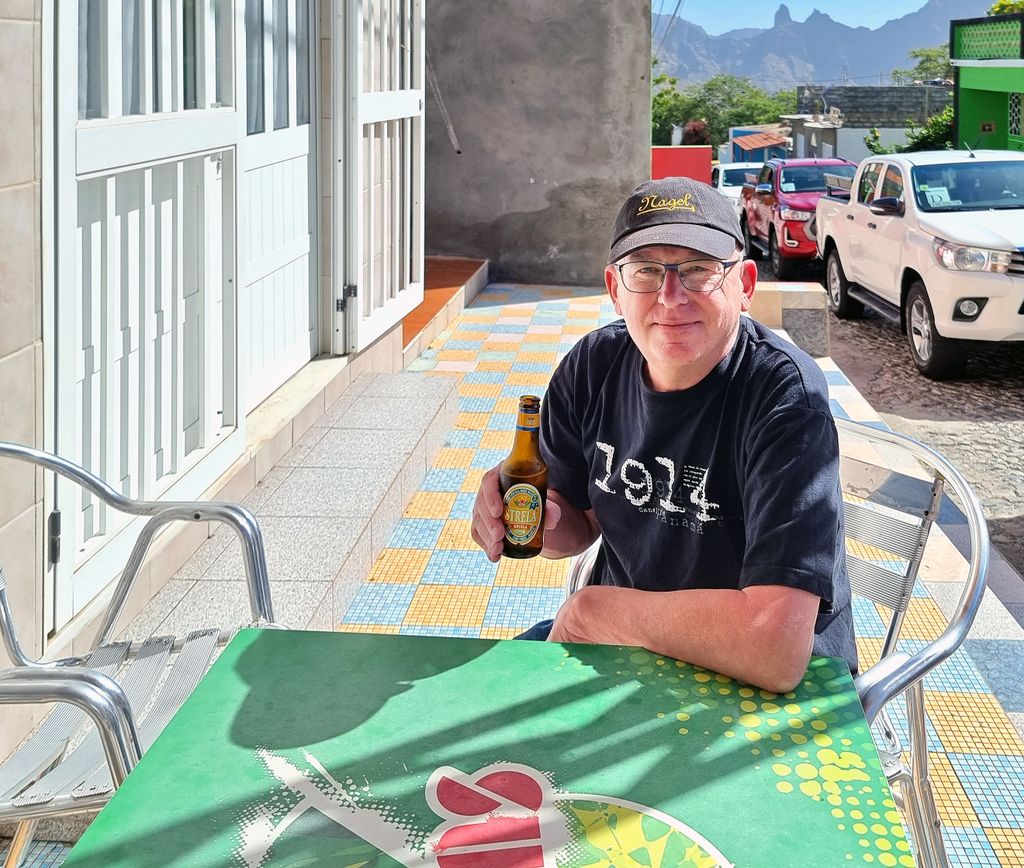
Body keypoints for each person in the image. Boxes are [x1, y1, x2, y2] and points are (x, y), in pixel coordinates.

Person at [471, 176, 857, 694]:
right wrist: (527, 513)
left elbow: (775, 649)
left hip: (763, 683)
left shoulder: (784, 398)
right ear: (614, 289)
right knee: (463, 710)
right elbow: (575, 526)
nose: (670, 297)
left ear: (744, 285)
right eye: (647, 272)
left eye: (698, 271)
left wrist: (593, 610)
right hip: (630, 648)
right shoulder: (593, 366)